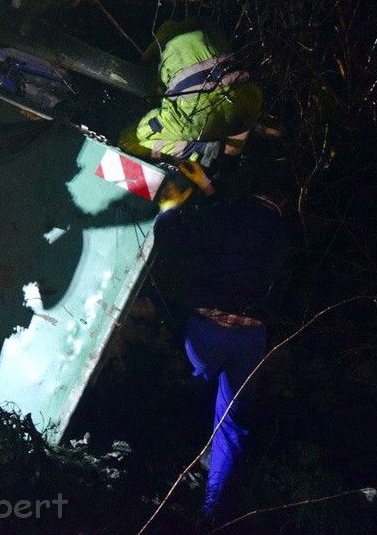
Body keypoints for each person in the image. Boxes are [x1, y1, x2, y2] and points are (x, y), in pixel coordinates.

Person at [152, 161, 286, 518]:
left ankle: (171, 463)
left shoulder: (229, 216)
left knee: (196, 384)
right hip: (251, 339)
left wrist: (168, 211)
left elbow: (176, 242)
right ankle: (214, 513)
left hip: (208, 330)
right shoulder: (288, 232)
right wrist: (211, 191)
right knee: (230, 424)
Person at [119, 18, 262, 169]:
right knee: (234, 112)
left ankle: (207, 152)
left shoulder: (157, 53)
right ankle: (241, 137)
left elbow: (157, 92)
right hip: (250, 97)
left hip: (200, 113)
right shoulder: (205, 30)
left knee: (141, 134)